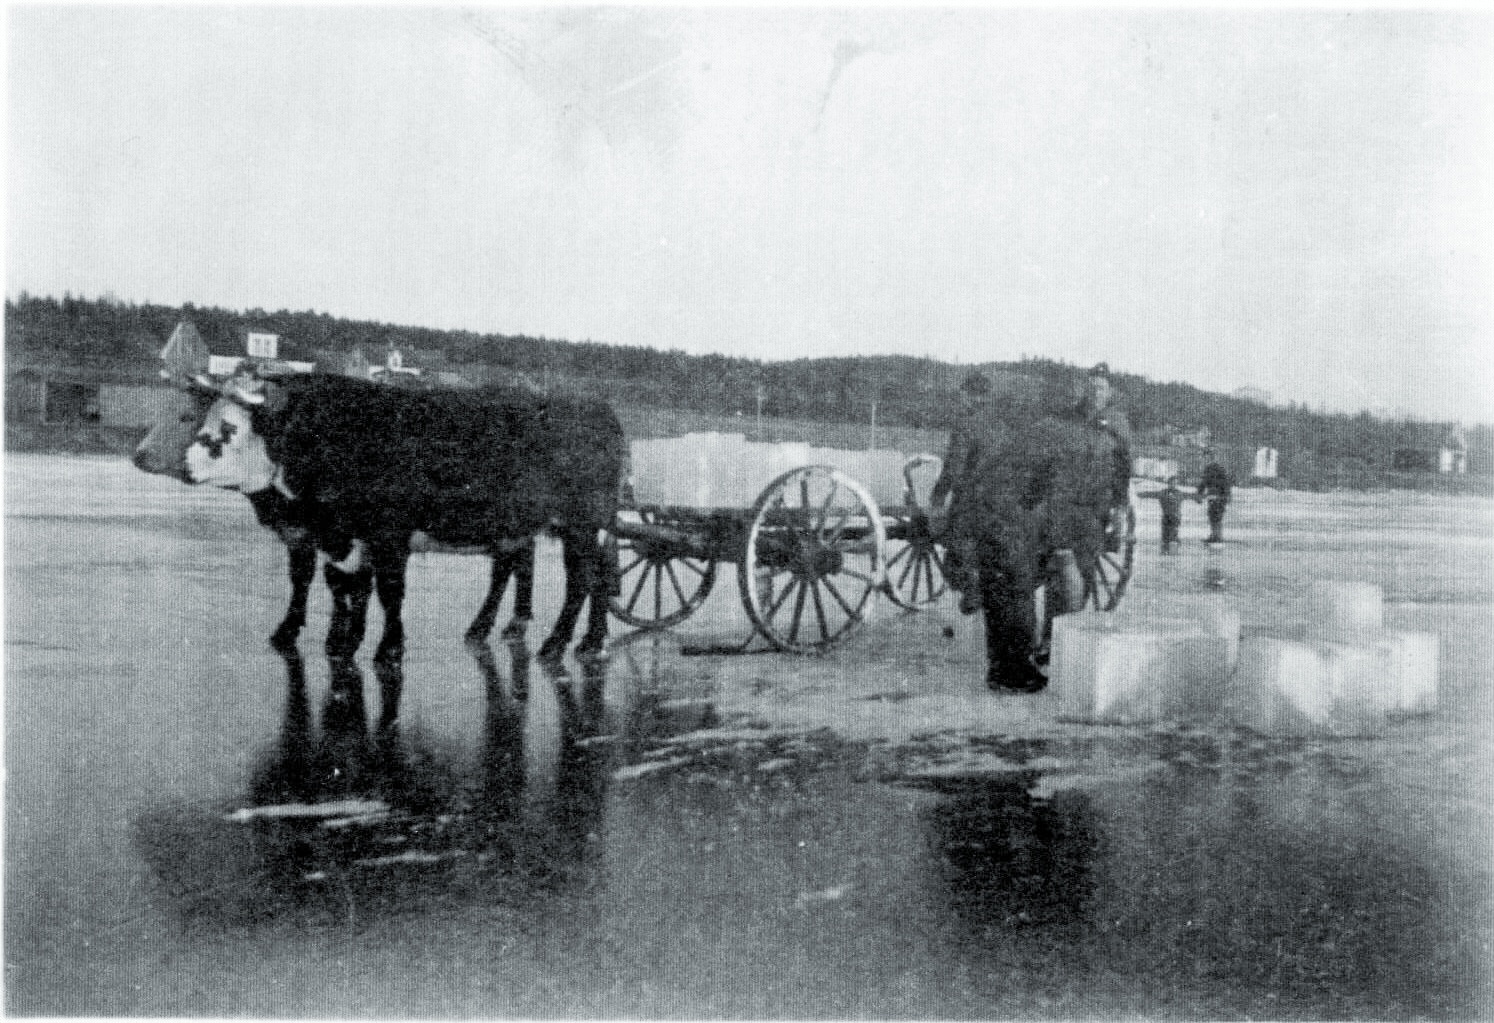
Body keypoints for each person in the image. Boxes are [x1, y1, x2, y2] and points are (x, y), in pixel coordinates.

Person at [946, 364, 1130, 695]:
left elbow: (1026, 483)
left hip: (1000, 520)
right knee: (1014, 596)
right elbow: (1039, 485)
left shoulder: (1030, 432)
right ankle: (1015, 671)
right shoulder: (1048, 434)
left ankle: (1011, 668)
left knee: (1009, 595)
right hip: (1008, 523)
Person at [930, 370, 995, 614]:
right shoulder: (1000, 423)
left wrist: (938, 498)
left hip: (973, 501)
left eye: (964, 395)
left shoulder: (967, 424)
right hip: (1003, 499)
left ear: (971, 396)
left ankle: (972, 589)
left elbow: (953, 468)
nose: (962, 399)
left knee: (955, 540)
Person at [1136, 476, 1197, 554]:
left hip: (1176, 517)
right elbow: (1151, 494)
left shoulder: (1179, 493)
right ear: (1168, 484)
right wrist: (1140, 494)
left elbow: (1191, 496)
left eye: (1175, 483)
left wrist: (1200, 497)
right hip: (1166, 516)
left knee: (1174, 533)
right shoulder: (1163, 492)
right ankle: (1165, 549)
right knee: (1165, 533)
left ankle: (1173, 551)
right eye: (1172, 483)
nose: (1174, 485)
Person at [1198, 457, 1234, 543]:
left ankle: (1216, 536)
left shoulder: (1210, 470)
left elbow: (1203, 483)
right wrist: (1228, 496)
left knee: (1214, 517)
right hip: (1218, 498)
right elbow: (1226, 484)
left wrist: (1199, 494)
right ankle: (1216, 535)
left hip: (1218, 498)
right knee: (1215, 517)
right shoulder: (1219, 470)